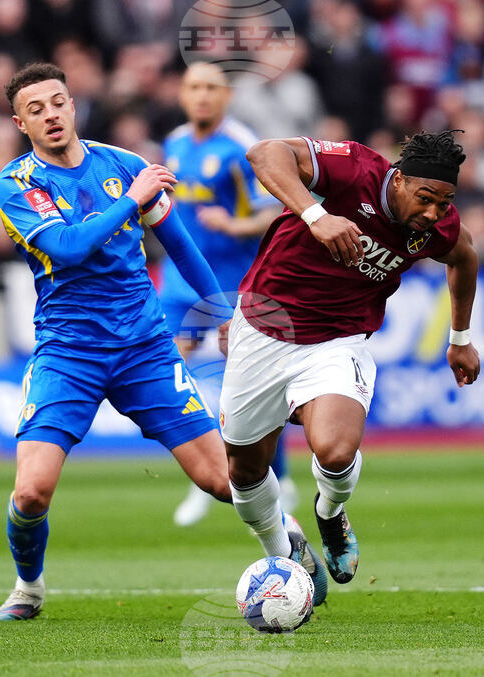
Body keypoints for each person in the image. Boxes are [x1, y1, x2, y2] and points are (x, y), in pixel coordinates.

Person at [0, 63, 328, 621]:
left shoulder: (120, 164)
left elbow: (179, 242)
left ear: (73, 106)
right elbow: (71, 247)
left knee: (224, 478)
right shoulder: (17, 183)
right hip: (68, 351)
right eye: (35, 109)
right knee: (30, 493)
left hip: (144, 346)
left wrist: (219, 305)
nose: (50, 115)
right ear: (20, 122)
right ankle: (28, 589)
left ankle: (287, 555)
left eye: (58, 102)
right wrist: (132, 199)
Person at [220, 130, 480, 588]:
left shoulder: (436, 228)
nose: (433, 213)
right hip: (263, 329)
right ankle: (285, 555)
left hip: (339, 341)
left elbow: (465, 256)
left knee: (336, 451)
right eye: (425, 198)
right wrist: (317, 215)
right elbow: (264, 153)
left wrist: (460, 338)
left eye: (444, 202)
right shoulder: (353, 169)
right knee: (243, 473)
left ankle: (330, 511)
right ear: (397, 180)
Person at [161, 62, 296, 527]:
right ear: (182, 94)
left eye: (211, 88)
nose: (201, 96)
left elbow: (276, 210)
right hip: (180, 282)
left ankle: (278, 476)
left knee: (247, 388)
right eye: (194, 87)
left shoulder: (243, 146)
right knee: (167, 371)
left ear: (226, 97)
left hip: (235, 284)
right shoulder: (174, 145)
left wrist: (233, 224)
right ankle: (204, 475)